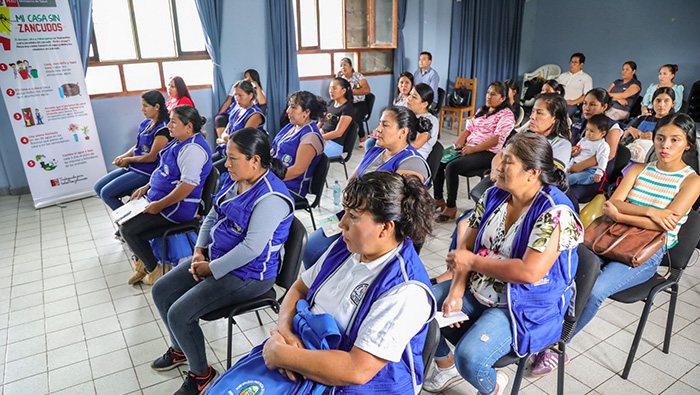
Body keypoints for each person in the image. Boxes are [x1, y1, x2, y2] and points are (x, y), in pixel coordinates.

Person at [530, 114, 700, 376]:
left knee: (595, 290)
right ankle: (540, 331)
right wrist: (652, 212)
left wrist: (624, 214)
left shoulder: (692, 180)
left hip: (647, 253)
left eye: (675, 140)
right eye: (660, 138)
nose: (665, 145)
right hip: (608, 237)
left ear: (688, 144)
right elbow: (612, 205)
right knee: (565, 274)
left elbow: (662, 225)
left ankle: (557, 346)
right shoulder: (637, 169)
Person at [422, 132, 583, 395]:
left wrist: (472, 261)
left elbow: (529, 272)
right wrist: (456, 290)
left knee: (470, 358)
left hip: (522, 304)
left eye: (508, 161)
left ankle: (495, 386)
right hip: (479, 288)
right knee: (418, 307)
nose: (498, 166)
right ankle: (444, 365)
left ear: (532, 173)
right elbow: (468, 245)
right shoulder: (494, 195)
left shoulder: (555, 213)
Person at [262, 171, 436, 395]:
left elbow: (358, 370)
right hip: (307, 355)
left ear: (385, 227)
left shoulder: (405, 290)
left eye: (353, 216)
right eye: (345, 212)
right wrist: (287, 336)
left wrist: (282, 355)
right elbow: (299, 288)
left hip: (359, 385)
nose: (342, 223)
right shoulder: (347, 247)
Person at [150, 127, 293, 395]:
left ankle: (201, 375)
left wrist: (211, 269)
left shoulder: (271, 196)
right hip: (216, 258)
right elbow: (213, 215)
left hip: (250, 276)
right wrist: (199, 250)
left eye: (232, 158)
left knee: (180, 313)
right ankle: (181, 350)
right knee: (161, 289)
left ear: (255, 161)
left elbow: (251, 248)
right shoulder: (234, 178)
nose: (226, 164)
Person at [303, 106, 431, 269]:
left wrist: (354, 207)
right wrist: (349, 202)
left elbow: (391, 207)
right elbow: (352, 180)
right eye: (379, 124)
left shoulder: (412, 163)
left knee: (321, 256)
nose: (377, 129)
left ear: (403, 132)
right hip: (353, 213)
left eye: (385, 125)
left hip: (375, 227)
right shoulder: (376, 151)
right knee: (310, 248)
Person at [122, 105, 212, 286]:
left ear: (189, 127)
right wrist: (146, 187)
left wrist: (159, 205)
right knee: (125, 219)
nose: (168, 125)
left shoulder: (193, 149)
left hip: (176, 208)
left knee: (128, 230)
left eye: (173, 122)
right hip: (160, 198)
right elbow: (163, 171)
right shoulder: (178, 141)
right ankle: (142, 264)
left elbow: (186, 187)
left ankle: (153, 270)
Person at [434, 81, 515, 222]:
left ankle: (451, 206)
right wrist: (460, 142)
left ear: (503, 98)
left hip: (488, 153)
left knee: (452, 167)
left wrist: (473, 149)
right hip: (469, 147)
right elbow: (468, 129)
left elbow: (497, 139)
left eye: (493, 94)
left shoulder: (506, 115)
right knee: (440, 161)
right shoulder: (482, 110)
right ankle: (438, 199)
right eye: (488, 93)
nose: (488, 96)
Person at [94, 90, 172, 210]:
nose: (142, 109)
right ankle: (126, 219)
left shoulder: (163, 129)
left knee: (106, 193)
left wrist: (129, 160)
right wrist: (123, 157)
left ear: (157, 106)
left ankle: (128, 222)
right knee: (98, 187)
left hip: (146, 172)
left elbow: (152, 156)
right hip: (134, 166)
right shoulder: (147, 123)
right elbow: (138, 146)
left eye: (145, 106)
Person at [567, 89, 623, 208]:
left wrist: (579, 166)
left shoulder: (612, 127)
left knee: (569, 192)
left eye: (592, 104)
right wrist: (572, 152)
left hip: (596, 177)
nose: (587, 108)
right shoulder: (581, 124)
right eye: (585, 103)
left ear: (604, 107)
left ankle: (574, 225)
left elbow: (608, 155)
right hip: (575, 169)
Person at [271, 91, 326, 197]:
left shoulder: (310, 137)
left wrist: (269, 179)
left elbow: (297, 170)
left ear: (306, 112)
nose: (288, 111)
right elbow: (274, 150)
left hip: (290, 187)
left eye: (293, 107)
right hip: (276, 177)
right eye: (289, 106)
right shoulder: (291, 126)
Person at [213, 80, 265, 172]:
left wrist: (224, 140)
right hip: (227, 150)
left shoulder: (255, 114)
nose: (237, 98)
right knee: (204, 165)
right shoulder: (236, 111)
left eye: (240, 95)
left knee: (211, 171)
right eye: (235, 95)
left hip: (240, 154)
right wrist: (225, 139)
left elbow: (242, 139)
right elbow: (225, 132)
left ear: (250, 95)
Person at [622, 87, 676, 162]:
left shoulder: (673, 123)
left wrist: (656, 138)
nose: (661, 105)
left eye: (666, 101)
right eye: (658, 101)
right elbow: (621, 140)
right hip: (630, 156)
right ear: (652, 103)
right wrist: (629, 131)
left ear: (672, 103)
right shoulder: (643, 119)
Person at [567, 114, 610, 185]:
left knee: (573, 178)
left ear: (602, 133)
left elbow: (603, 160)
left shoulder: (603, 145)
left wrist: (599, 173)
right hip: (575, 164)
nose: (588, 133)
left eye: (592, 131)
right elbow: (576, 155)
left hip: (590, 171)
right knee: (562, 175)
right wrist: (569, 166)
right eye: (587, 130)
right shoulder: (584, 140)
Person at [337, 57, 371, 147]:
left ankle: (362, 136)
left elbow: (367, 90)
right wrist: (337, 79)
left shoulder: (357, 76)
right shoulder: (342, 79)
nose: (343, 67)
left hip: (360, 104)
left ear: (351, 66)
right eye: (341, 66)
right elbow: (336, 92)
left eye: (345, 65)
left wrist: (351, 92)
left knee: (354, 115)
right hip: (348, 104)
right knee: (336, 113)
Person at [319, 77, 354, 157]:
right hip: (323, 138)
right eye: (330, 88)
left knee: (307, 152)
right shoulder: (330, 103)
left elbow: (338, 133)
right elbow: (320, 123)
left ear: (343, 91)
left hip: (334, 144)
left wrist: (319, 137)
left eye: (334, 88)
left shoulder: (347, 108)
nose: (331, 91)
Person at [407, 83, 439, 158]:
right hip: (401, 154)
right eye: (410, 94)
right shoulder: (408, 115)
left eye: (414, 97)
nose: (409, 98)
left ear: (424, 104)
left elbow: (416, 145)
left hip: (414, 158)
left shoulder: (430, 120)